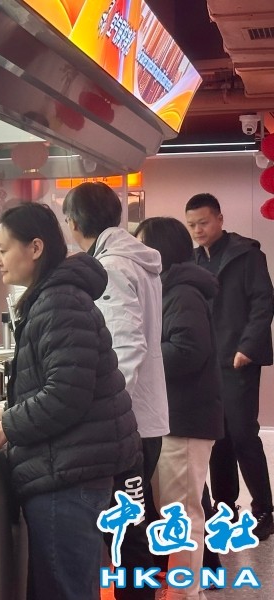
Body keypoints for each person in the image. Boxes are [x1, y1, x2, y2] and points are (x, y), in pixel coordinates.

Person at [0, 202, 140, 600]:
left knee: (64, 589)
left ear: (35, 248)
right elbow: (62, 382)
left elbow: (66, 395)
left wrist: (6, 427)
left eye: (3, 249)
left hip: (68, 475)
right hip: (66, 465)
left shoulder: (59, 302)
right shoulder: (54, 298)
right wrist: (8, 409)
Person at [62, 181, 168, 600]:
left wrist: (105, 409)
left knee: (127, 536)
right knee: (131, 531)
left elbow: (125, 346)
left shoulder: (112, 267)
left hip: (128, 424)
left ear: (73, 223)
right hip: (141, 418)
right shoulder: (134, 260)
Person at [135, 217, 224, 599]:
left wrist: (143, 355)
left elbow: (188, 350)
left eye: (140, 245)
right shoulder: (169, 289)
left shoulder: (182, 292)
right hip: (174, 417)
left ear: (159, 249)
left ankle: (185, 593)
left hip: (185, 419)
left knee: (182, 514)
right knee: (175, 510)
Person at [185, 193, 274, 539]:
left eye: (203, 223)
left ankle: (264, 510)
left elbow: (263, 303)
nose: (198, 230)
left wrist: (247, 347)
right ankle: (225, 508)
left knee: (242, 434)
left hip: (238, 359)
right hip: (207, 362)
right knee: (217, 437)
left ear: (220, 219)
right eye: (192, 225)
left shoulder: (247, 255)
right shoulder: (193, 260)